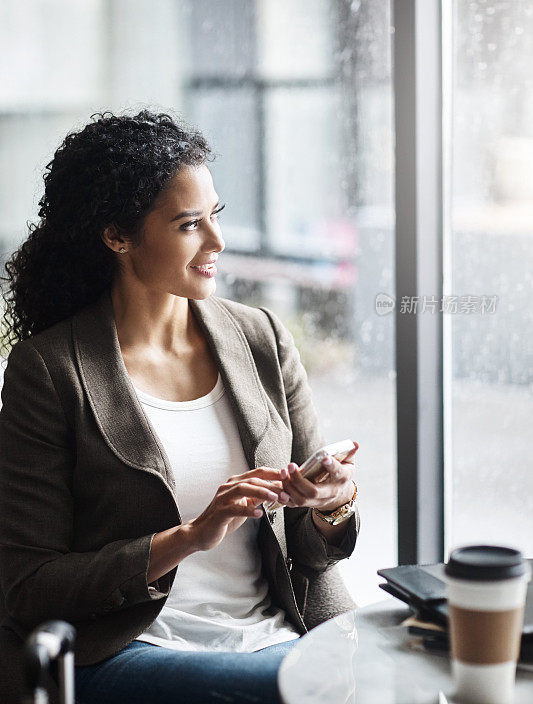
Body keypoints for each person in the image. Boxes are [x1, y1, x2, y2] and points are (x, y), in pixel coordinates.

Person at [0, 110, 360, 704]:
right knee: (295, 692)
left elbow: (313, 547)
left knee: (422, 665)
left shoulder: (260, 337)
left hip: (282, 630)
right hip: (137, 646)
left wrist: (331, 504)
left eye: (214, 216)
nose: (217, 242)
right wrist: (189, 537)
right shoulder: (50, 370)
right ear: (117, 236)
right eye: (189, 224)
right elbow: (31, 586)